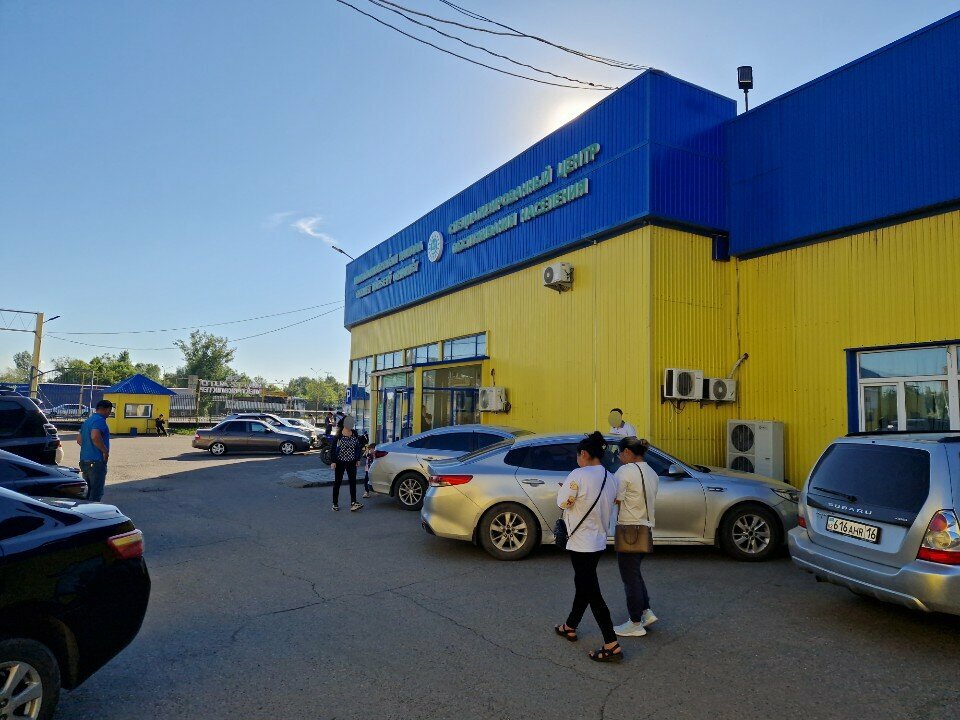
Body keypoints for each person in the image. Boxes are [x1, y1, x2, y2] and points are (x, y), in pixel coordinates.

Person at [554, 431, 623, 663]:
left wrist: (565, 491)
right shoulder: (611, 478)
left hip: (580, 542)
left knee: (592, 592)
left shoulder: (578, 475)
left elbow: (563, 502)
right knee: (583, 585)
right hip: (598, 541)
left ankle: (611, 643)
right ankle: (570, 625)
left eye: (578, 455)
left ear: (584, 454)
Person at [613, 436, 660, 637]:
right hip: (646, 528)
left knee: (629, 578)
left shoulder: (625, 471)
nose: (619, 457)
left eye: (620, 453)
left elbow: (616, 498)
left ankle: (634, 623)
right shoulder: (652, 472)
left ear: (627, 452)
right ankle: (646, 611)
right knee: (635, 574)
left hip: (629, 528)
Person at [77, 399, 112, 501]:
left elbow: (79, 440)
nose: (109, 413)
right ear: (107, 410)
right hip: (96, 462)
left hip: (84, 460)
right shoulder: (100, 421)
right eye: (110, 411)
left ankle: (85, 509)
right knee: (96, 493)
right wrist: (105, 451)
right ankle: (93, 510)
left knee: (87, 492)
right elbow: (95, 436)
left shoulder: (88, 421)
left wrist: (89, 447)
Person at [329, 415, 365, 512]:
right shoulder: (339, 435)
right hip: (340, 462)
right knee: (338, 482)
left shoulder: (354, 433)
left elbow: (357, 447)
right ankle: (335, 503)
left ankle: (353, 503)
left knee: (353, 482)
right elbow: (333, 449)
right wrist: (333, 461)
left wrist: (358, 459)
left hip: (351, 462)